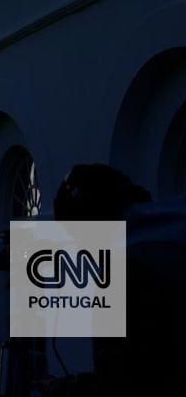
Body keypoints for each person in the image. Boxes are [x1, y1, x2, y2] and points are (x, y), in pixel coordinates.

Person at [52, 163, 184, 394]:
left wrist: (69, 389)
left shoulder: (123, 270)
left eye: (75, 234)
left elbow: (126, 381)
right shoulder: (170, 231)